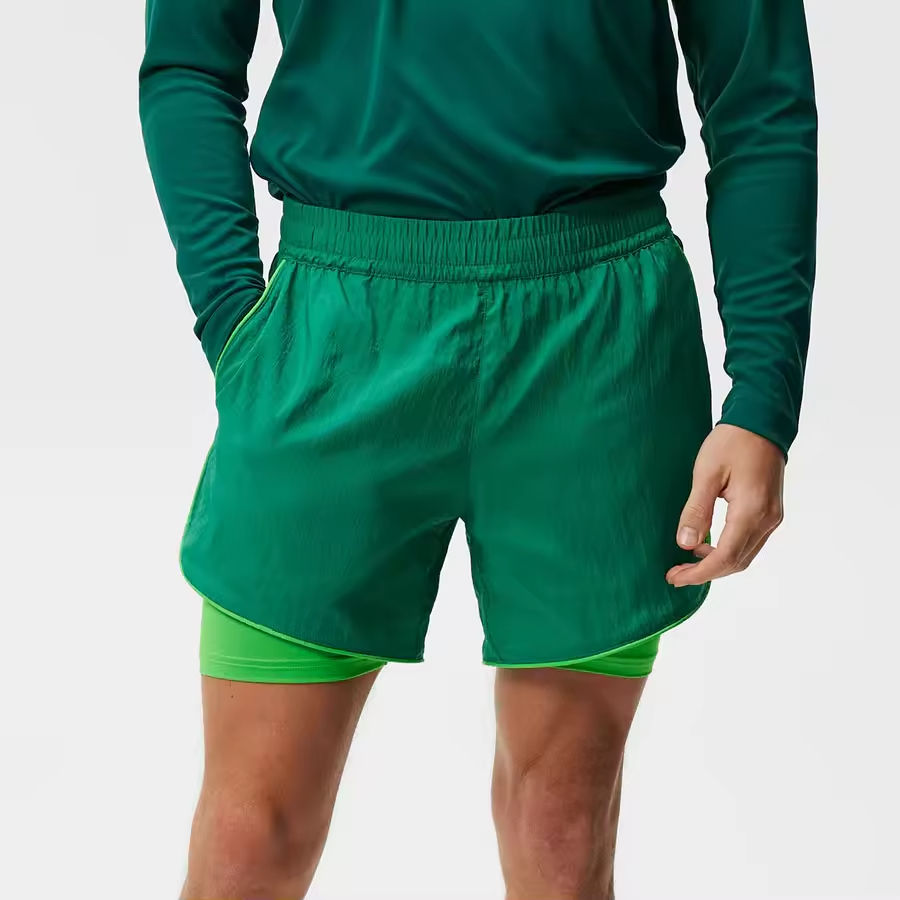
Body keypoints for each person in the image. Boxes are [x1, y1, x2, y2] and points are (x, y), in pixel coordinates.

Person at [139, 0, 816, 895]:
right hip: (333, 324)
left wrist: (763, 396)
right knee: (249, 838)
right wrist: (231, 314)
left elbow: (758, 94)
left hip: (596, 329)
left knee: (562, 827)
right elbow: (189, 60)